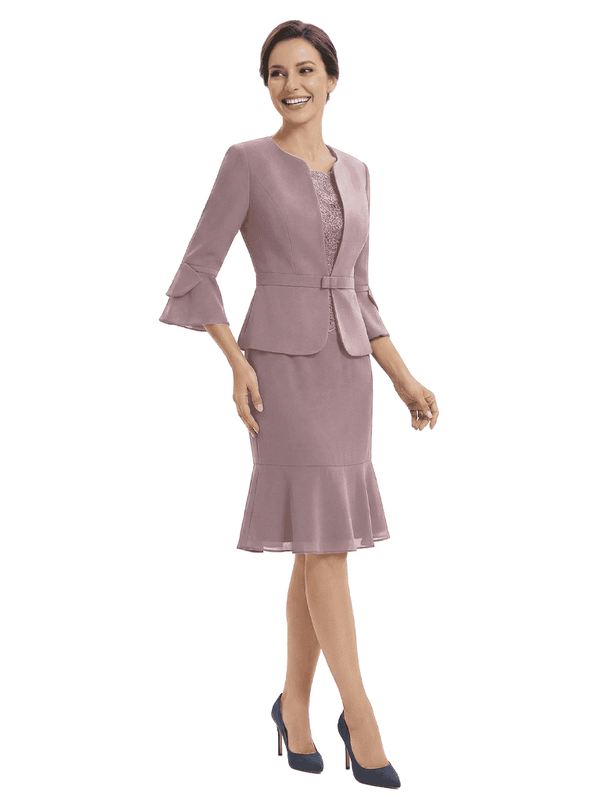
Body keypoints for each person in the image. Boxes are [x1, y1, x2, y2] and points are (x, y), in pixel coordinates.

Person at [159, 19, 438, 789]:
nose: (292, 84)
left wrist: (404, 378)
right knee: (326, 549)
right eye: (277, 72)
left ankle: (294, 708)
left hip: (349, 376)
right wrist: (235, 362)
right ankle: (363, 719)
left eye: (306, 69)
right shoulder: (245, 161)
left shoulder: (361, 173)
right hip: (279, 373)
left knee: (318, 547)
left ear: (332, 79)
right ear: (267, 84)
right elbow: (197, 271)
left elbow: (361, 291)